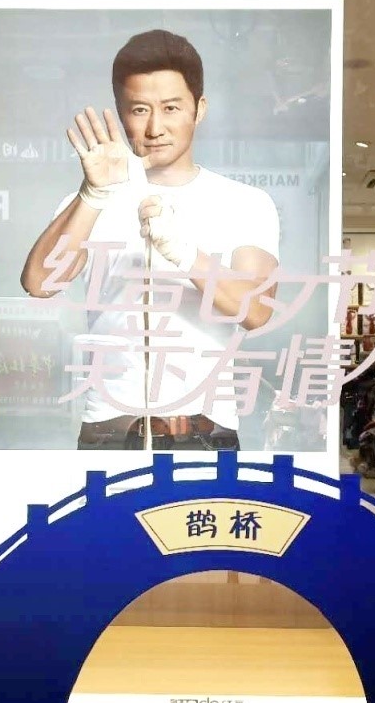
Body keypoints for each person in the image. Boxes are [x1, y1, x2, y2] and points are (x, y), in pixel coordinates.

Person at [20, 29, 280, 450]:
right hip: (108, 425)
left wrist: (185, 254)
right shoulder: (88, 200)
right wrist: (93, 194)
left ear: (199, 109)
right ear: (122, 114)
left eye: (171, 108)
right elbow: (39, 283)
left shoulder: (244, 202)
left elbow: (256, 310)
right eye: (139, 110)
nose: (155, 128)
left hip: (203, 427)